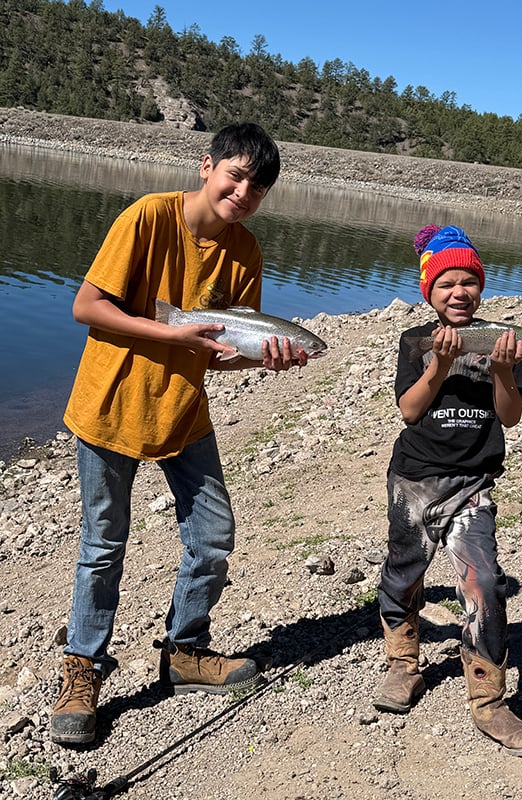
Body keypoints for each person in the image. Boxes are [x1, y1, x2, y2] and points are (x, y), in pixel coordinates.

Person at [51, 122, 307, 746]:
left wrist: (265, 358)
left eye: (259, 186)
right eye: (237, 174)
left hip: (183, 412)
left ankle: (185, 649)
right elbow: (87, 306)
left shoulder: (244, 250)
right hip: (110, 406)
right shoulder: (147, 217)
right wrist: (172, 333)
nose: (244, 192)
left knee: (214, 535)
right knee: (103, 544)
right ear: (207, 166)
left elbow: (224, 352)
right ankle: (82, 669)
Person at [373, 224, 522, 757]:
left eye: (468, 283)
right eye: (446, 283)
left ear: (482, 288)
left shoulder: (506, 344)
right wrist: (442, 364)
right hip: (414, 479)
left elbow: (510, 416)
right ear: (429, 290)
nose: (458, 293)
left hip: (474, 482)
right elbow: (409, 410)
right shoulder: (416, 341)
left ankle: (488, 698)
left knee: (486, 584)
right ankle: (403, 662)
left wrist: (501, 371)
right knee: (405, 572)